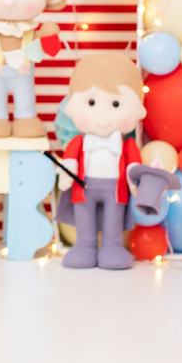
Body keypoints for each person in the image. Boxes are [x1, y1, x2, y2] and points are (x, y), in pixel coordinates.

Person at [55, 53, 145, 270]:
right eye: (92, 102)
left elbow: (133, 165)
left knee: (114, 218)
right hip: (83, 189)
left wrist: (134, 182)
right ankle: (85, 245)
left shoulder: (127, 145)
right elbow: (70, 160)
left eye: (116, 104)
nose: (103, 115)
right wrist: (68, 171)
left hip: (116, 191)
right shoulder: (78, 141)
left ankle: (112, 246)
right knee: (84, 217)